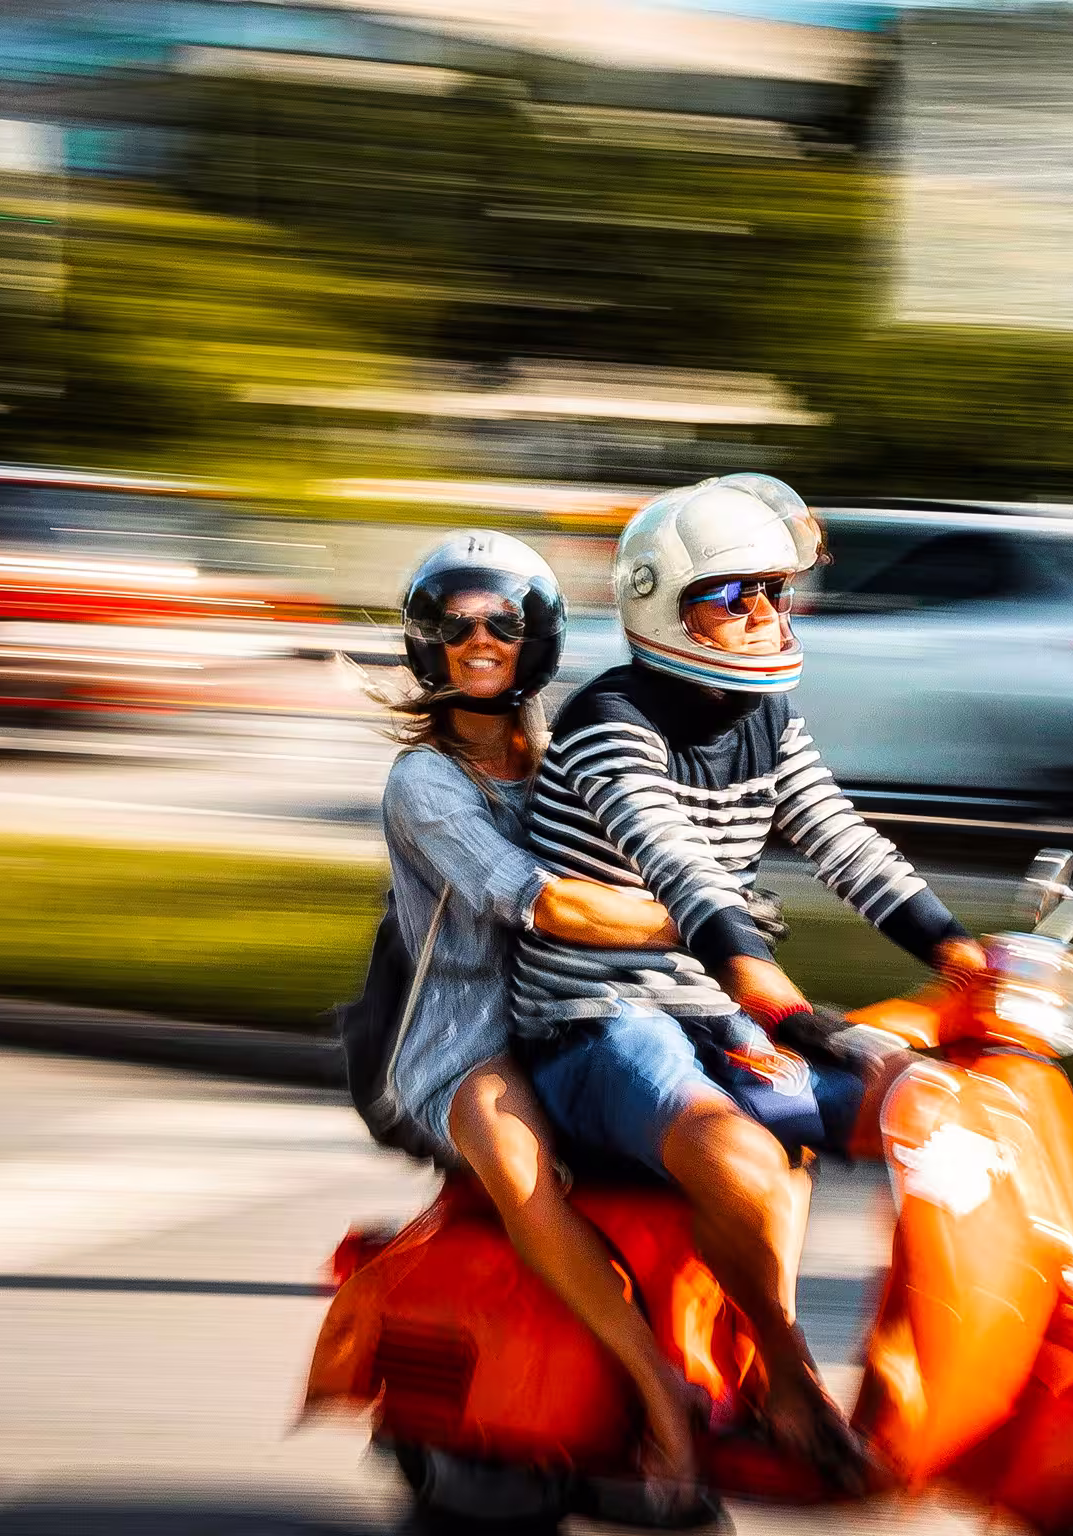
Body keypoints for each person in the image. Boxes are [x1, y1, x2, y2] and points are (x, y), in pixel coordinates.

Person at [511, 475, 987, 1484]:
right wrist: (758, 982)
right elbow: (675, 863)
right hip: (595, 1018)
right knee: (741, 1161)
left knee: (931, 1115)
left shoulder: (766, 714)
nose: (763, 613)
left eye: (773, 590)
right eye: (730, 596)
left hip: (711, 1009)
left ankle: (912, 1376)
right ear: (658, 601)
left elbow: (843, 842)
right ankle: (785, 1377)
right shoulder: (610, 721)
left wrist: (958, 952)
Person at [379, 529, 707, 1514]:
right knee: (525, 1174)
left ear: (543, 637)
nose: (479, 639)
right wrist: (697, 915)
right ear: (425, 642)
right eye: (456, 622)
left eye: (504, 621)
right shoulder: (425, 783)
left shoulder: (566, 752)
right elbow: (534, 899)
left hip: (580, 1019)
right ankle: (664, 1397)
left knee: (742, 1133)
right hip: (467, 1046)